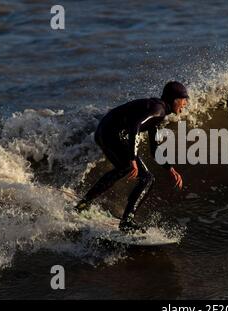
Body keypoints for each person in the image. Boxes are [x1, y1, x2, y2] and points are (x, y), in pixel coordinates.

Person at [75, 81, 188, 232]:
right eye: (184, 99)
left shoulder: (157, 110)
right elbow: (135, 126)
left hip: (105, 131)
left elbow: (154, 150)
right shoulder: (158, 110)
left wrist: (170, 169)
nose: (185, 103)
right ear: (175, 99)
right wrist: (132, 158)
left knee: (124, 168)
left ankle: (83, 204)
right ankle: (127, 221)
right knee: (146, 178)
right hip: (111, 133)